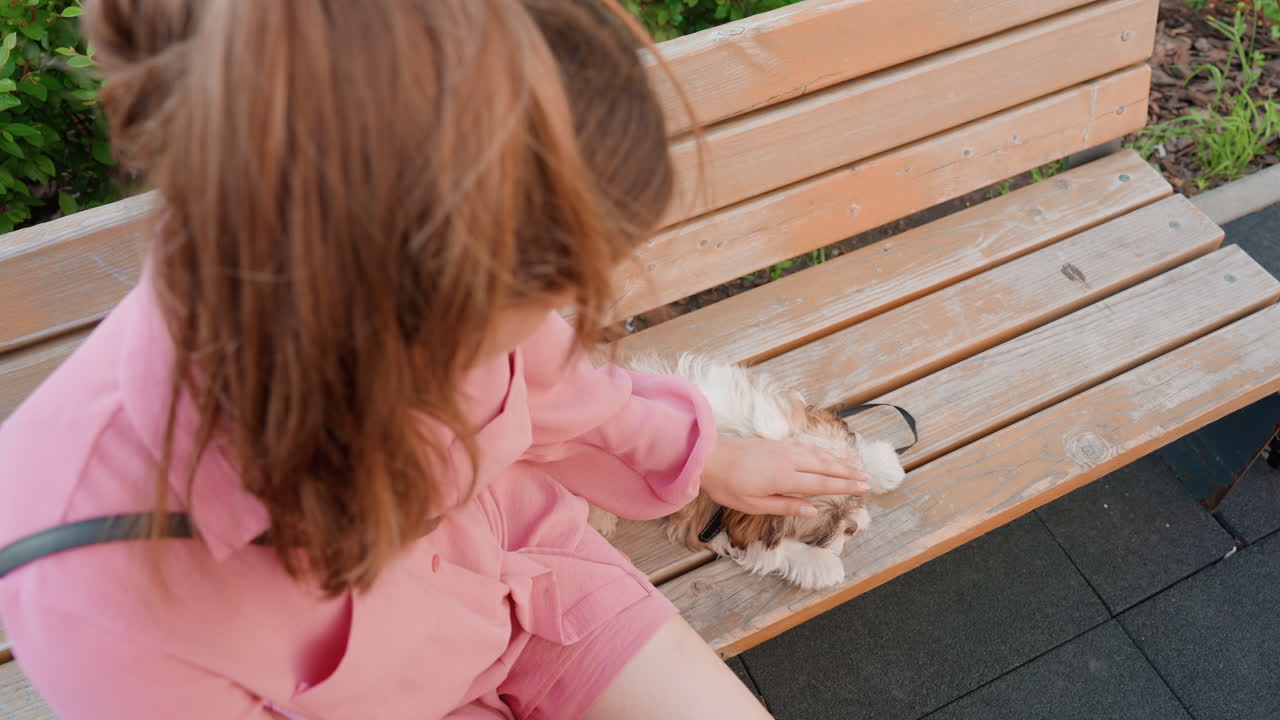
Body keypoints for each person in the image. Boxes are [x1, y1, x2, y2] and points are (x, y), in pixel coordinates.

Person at [0, 1, 869, 718]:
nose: (557, 327)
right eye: (538, 307)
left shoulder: (420, 254)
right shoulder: (98, 591)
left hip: (528, 587)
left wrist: (709, 455)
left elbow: (566, 392)